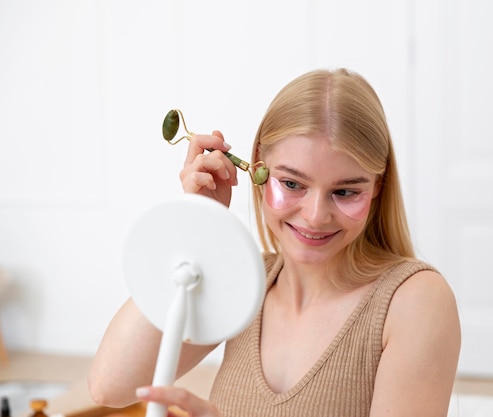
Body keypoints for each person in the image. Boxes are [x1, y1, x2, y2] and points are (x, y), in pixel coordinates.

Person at [88, 68, 461, 417]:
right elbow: (110, 386)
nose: (315, 215)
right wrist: (198, 225)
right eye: (293, 184)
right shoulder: (242, 281)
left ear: (378, 187)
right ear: (257, 169)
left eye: (345, 191)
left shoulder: (414, 301)